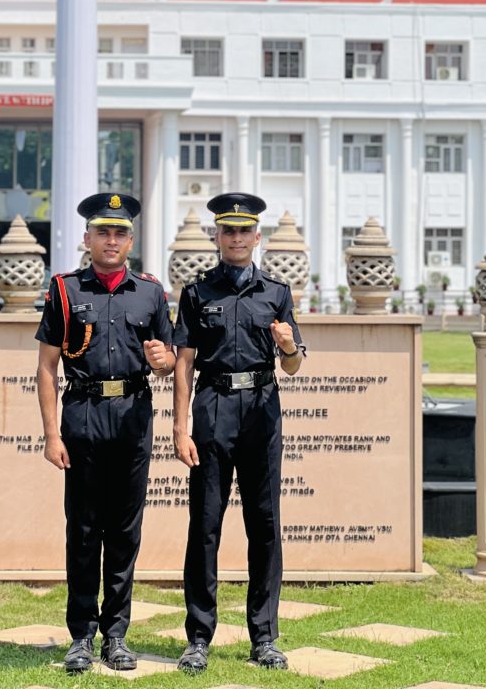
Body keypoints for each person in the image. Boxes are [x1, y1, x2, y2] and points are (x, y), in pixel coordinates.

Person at [36, 193, 175, 673]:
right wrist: (52, 434)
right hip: (84, 415)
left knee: (124, 532)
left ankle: (116, 636)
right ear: (88, 238)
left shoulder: (152, 293)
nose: (111, 240)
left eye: (119, 233)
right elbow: (47, 367)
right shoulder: (65, 290)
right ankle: (81, 637)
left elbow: (170, 359)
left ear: (130, 240)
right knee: (83, 530)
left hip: (134, 417)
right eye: (102, 232)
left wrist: (165, 362)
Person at [172, 193, 306, 673]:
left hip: (263, 410)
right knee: (204, 525)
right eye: (227, 230)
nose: (235, 238)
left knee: (265, 525)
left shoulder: (277, 291)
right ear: (216, 237)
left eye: (243, 231)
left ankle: (264, 636)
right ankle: (199, 637)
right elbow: (183, 361)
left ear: (257, 237)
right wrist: (180, 424)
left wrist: (288, 347)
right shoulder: (196, 292)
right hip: (212, 406)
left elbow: (290, 365)